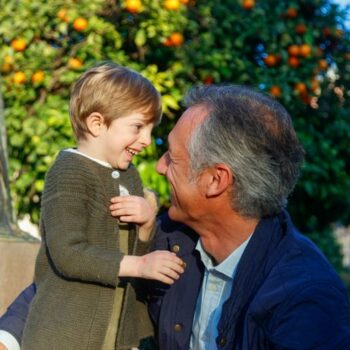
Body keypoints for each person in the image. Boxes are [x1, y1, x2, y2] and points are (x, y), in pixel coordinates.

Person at [1, 85, 350, 350]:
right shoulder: (168, 233)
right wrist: (9, 335)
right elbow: (71, 277)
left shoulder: (307, 301)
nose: (158, 166)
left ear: (216, 180)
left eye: (172, 157)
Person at [2, 62, 185, 350]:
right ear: (97, 123)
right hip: (63, 336)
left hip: (116, 337)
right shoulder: (69, 172)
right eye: (138, 127)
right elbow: (68, 253)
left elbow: (139, 262)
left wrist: (148, 225)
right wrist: (139, 265)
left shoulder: (131, 176)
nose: (147, 140)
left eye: (150, 129)